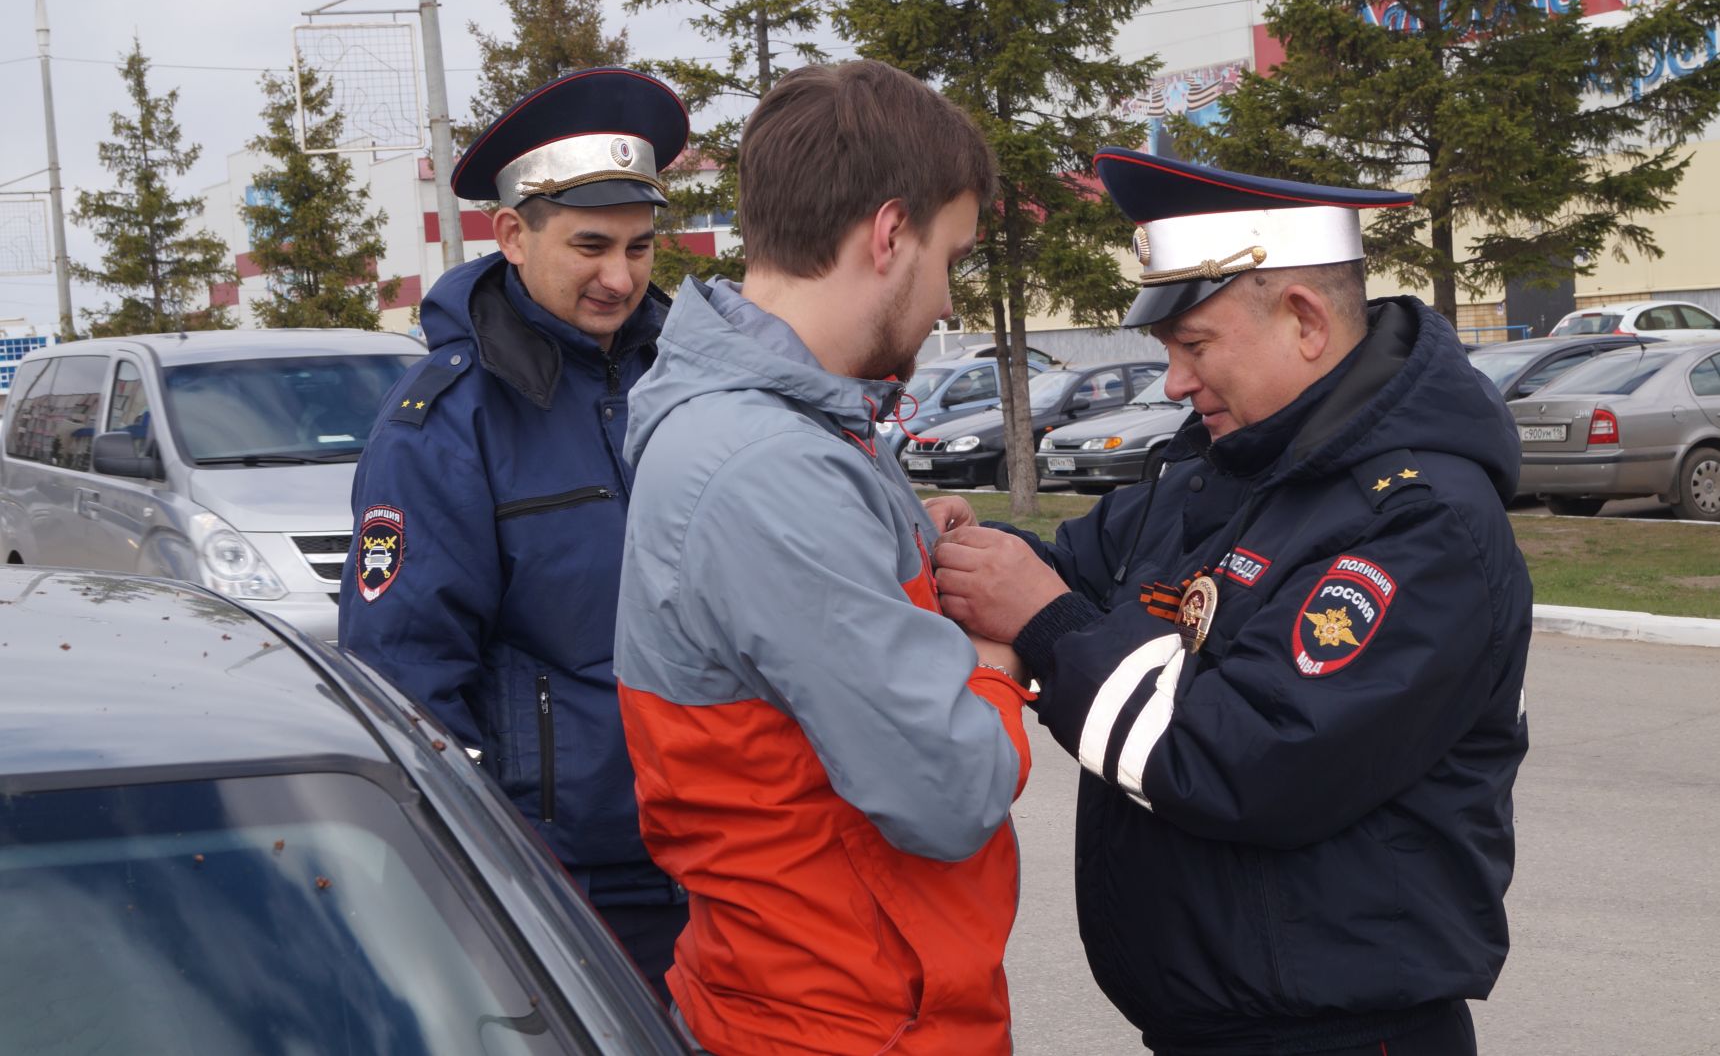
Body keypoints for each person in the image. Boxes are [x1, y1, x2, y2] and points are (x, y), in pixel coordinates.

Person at [930, 148, 1533, 1056]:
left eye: (1194, 346)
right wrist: (965, 545)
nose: (1173, 381)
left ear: (1304, 321)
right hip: (1214, 1024)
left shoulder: (1420, 521)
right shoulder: (1228, 468)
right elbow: (1073, 568)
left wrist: (1045, 627)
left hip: (1335, 1035)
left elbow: (1243, 759)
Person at [609, 60, 1032, 1055]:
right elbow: (949, 789)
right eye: (950, 258)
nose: (947, 301)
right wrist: (996, 667)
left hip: (847, 998)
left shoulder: (790, 431)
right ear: (888, 235)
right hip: (849, 1019)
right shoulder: (769, 465)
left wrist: (907, 545)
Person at [339, 68, 691, 996]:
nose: (620, 277)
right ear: (510, 236)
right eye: (589, 245)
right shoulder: (444, 425)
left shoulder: (693, 386)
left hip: (725, 854)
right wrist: (491, 876)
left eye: (640, 247)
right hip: (559, 882)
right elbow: (407, 678)